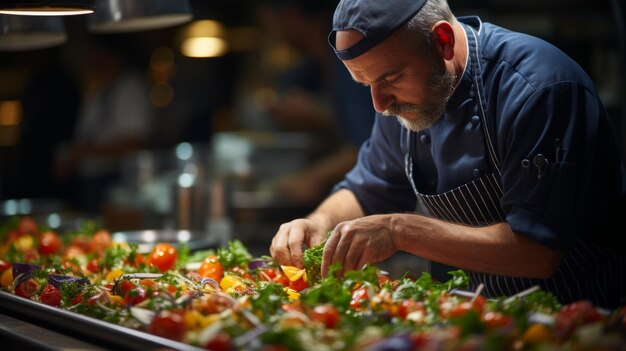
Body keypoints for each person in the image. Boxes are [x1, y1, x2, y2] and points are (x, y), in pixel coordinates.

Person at [270, 0, 626, 309]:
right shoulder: (401, 101)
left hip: (583, 317)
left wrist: (399, 230)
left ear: (441, 41)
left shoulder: (538, 88)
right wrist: (318, 222)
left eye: (390, 78)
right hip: (479, 319)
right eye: (366, 86)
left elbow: (537, 251)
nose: (379, 105)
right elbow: (368, 189)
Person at [258, 0, 376, 206]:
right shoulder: (311, 67)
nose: (271, 33)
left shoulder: (348, 52)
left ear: (291, 15)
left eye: (269, 23)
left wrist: (310, 179)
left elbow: (369, 144)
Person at [55, 34, 153, 215]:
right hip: (88, 181)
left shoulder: (130, 87)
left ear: (112, 54)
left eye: (96, 51)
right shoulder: (99, 89)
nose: (90, 56)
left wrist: (83, 152)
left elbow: (134, 142)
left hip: (115, 182)